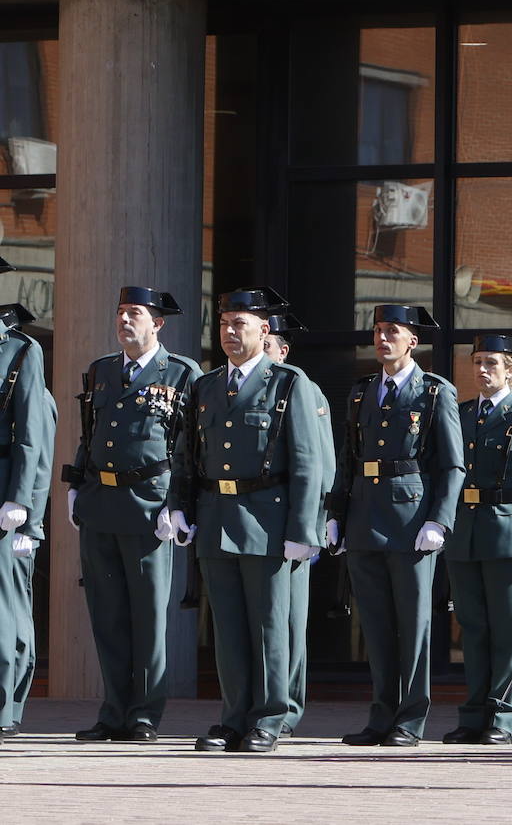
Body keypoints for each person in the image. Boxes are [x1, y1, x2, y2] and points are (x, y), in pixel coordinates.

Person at [170, 286, 325, 753]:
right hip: (218, 518)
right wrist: (180, 507)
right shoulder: (206, 385)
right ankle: (233, 717)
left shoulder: (289, 383)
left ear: (264, 329)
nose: (231, 332)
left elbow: (307, 462)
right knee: (229, 629)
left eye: (241, 324)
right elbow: (186, 455)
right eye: (224, 324)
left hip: (270, 522)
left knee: (271, 626)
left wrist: (304, 529)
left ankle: (271, 717)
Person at [62, 286, 201, 743]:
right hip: (101, 504)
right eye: (120, 312)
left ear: (157, 323)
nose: (124, 321)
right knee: (108, 615)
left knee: (147, 617)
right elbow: (90, 431)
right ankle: (113, 711)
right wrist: (76, 486)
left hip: (149, 506)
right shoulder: (102, 370)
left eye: (134, 313)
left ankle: (144, 713)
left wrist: (176, 504)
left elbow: (189, 448)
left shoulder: (180, 373)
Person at [330, 305, 462, 746]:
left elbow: (452, 465)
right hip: (365, 518)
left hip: (411, 521)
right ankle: (381, 715)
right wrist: (337, 515)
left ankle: (410, 720)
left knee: (413, 625)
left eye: (393, 332)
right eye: (378, 331)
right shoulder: (361, 392)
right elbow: (349, 459)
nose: (383, 339)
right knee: (376, 626)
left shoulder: (435, 392)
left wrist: (439, 520)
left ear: (412, 341)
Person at [444, 333, 512, 745]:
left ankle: (501, 718)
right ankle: (473, 715)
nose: (482, 370)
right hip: (465, 533)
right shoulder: (462, 412)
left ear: (511, 370)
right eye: (477, 363)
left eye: (491, 363)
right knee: (472, 628)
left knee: (506, 631)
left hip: (509, 531)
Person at [262, 312, 334, 736]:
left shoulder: (301, 387)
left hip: (294, 520)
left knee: (289, 618)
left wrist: (315, 523)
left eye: (269, 346)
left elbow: (321, 463)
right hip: (259, 519)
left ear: (283, 351)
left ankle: (287, 705)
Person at [0, 295, 50, 743]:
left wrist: (22, 502)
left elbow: (31, 434)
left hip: (1, 493)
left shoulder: (19, 350)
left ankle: (4, 707)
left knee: (4, 607)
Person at [7, 385, 54, 736]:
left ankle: (14, 700)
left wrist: (32, 524)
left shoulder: (36, 397)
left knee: (15, 610)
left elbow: (40, 463)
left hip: (20, 527)